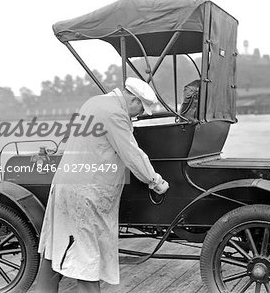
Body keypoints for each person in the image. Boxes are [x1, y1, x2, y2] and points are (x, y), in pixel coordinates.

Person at [34, 77, 169, 293]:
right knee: (87, 257)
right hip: (86, 193)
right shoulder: (115, 113)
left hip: (66, 185)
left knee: (55, 248)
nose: (139, 114)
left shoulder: (94, 102)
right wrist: (155, 181)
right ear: (134, 99)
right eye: (141, 109)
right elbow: (131, 154)